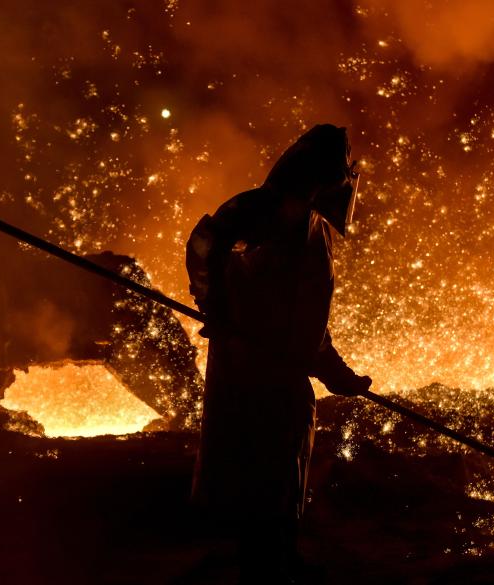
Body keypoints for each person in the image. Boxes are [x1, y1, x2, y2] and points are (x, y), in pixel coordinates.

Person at [185, 124, 372, 583]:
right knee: (259, 467)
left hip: (283, 367)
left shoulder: (313, 229)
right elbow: (204, 244)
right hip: (249, 365)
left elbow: (308, 321)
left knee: (286, 465)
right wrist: (217, 307)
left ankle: (280, 559)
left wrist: (336, 372)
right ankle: (263, 567)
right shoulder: (262, 209)